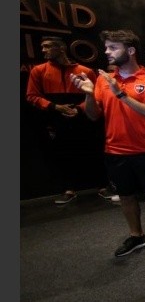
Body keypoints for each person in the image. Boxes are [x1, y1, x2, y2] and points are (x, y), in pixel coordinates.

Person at [71, 29, 145, 257]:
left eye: (113, 48)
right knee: (126, 196)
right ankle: (137, 236)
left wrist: (121, 94)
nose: (107, 52)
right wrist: (89, 94)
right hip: (116, 150)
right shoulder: (104, 81)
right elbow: (93, 116)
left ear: (130, 51)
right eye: (107, 47)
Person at [26, 36, 102, 205]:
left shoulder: (85, 71)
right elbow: (31, 96)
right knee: (61, 152)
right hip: (55, 117)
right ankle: (69, 188)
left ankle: (101, 185)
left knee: (91, 148)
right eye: (42, 47)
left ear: (60, 48)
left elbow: (96, 95)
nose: (43, 50)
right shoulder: (38, 70)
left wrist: (79, 109)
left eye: (47, 46)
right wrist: (55, 107)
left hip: (82, 115)